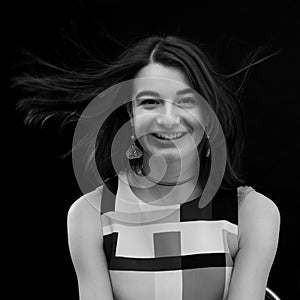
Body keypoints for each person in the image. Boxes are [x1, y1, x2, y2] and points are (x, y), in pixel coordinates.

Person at [13, 35, 280, 300]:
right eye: (150, 102)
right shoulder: (90, 215)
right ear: (131, 113)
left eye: (186, 101)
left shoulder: (252, 214)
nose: (167, 119)